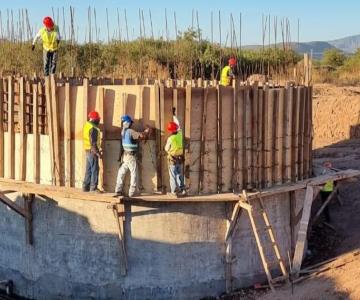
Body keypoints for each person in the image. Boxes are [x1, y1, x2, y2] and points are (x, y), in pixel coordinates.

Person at [115, 115, 150, 197]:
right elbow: (141, 136)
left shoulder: (123, 131)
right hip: (131, 156)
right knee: (133, 173)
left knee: (121, 172)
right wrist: (146, 131)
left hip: (125, 156)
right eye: (130, 123)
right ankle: (132, 192)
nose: (131, 124)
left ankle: (118, 190)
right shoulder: (130, 131)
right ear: (128, 123)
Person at [165, 108, 186, 197]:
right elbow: (178, 124)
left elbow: (166, 149)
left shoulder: (170, 139)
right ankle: (182, 190)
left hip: (172, 159)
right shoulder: (180, 134)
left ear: (170, 131)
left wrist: (168, 150)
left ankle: (173, 192)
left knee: (173, 176)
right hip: (180, 158)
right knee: (179, 175)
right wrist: (174, 115)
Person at [82, 111, 102, 192]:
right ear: (94, 119)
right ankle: (93, 188)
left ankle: (85, 186)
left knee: (89, 169)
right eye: (97, 119)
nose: (98, 121)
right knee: (95, 169)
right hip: (92, 151)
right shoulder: (93, 128)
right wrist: (97, 153)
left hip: (87, 150)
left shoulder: (87, 125)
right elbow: (93, 142)